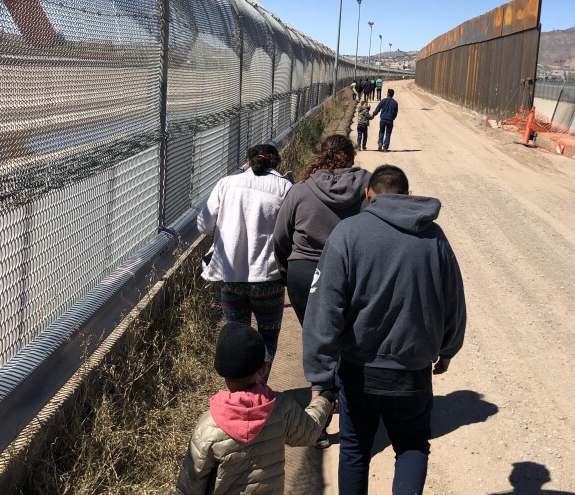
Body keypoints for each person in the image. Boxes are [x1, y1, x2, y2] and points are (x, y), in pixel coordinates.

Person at [303, 165, 467, 495]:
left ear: (369, 195)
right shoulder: (434, 238)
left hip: (358, 371)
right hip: (412, 372)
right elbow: (453, 300)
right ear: (407, 195)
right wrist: (448, 349)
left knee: (354, 449)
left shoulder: (348, 234)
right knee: (411, 447)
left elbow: (323, 311)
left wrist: (320, 376)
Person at [175, 322, 336, 495]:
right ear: (262, 370)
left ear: (221, 371)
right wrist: (324, 401)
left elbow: (190, 484)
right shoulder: (281, 407)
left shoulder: (208, 427)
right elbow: (309, 431)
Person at [197, 144, 292, 379]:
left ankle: (240, 394)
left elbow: (203, 225)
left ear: (248, 162)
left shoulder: (226, 183)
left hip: (229, 277)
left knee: (237, 337)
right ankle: (261, 389)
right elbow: (290, 232)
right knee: (268, 336)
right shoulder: (285, 187)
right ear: (275, 164)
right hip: (269, 278)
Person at [274, 134, 370, 326]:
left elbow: (280, 238)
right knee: (351, 339)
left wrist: (287, 273)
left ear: (321, 156)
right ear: (351, 157)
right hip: (354, 273)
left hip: (305, 273)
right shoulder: (370, 189)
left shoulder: (300, 190)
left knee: (314, 339)